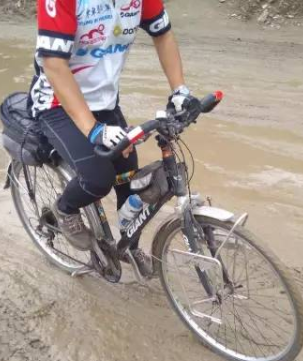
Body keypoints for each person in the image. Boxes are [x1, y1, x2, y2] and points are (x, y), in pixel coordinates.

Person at [29, 0, 198, 276]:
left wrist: (180, 91)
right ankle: (64, 209)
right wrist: (94, 129)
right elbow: (54, 64)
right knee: (98, 179)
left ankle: (129, 245)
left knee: (129, 177)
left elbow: (163, 34)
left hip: (105, 103)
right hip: (56, 104)